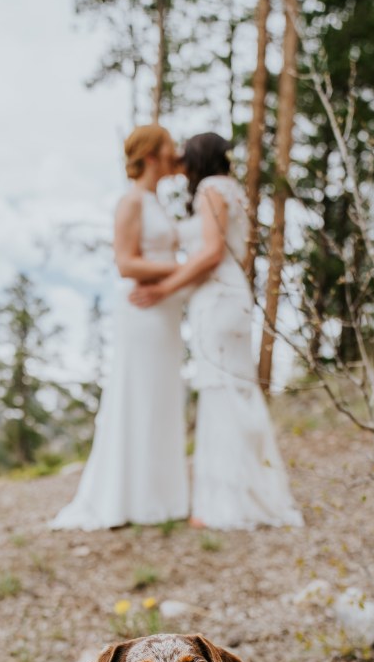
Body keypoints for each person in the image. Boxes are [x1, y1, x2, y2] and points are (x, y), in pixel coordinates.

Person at [130, 132, 303, 532]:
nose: (180, 162)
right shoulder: (230, 189)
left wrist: (163, 289)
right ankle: (244, 494)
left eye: (185, 156)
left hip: (219, 298)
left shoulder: (211, 188)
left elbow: (209, 254)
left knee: (221, 391)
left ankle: (229, 503)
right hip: (230, 294)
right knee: (233, 390)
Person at [51, 125, 189, 530]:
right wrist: (185, 269)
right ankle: (129, 497)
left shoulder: (155, 202)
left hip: (164, 309)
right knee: (140, 395)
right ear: (150, 156)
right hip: (142, 309)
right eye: (168, 148)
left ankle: (160, 496)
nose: (174, 154)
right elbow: (126, 263)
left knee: (163, 396)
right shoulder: (130, 202)